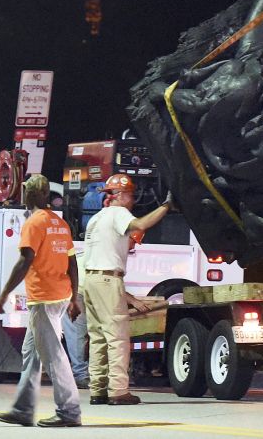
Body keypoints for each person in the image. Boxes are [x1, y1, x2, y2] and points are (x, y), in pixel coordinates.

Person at [0, 174, 83, 427]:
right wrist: (74, 298)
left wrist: (4, 293)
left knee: (53, 354)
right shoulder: (59, 223)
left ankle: (69, 411)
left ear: (30, 195)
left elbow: (25, 260)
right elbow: (72, 262)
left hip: (44, 299)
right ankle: (23, 408)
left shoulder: (34, 223)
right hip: (60, 295)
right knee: (31, 353)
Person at [83, 173, 174, 405]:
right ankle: (118, 391)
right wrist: (166, 206)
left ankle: (98, 389)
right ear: (121, 195)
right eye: (131, 195)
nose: (133, 200)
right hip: (107, 280)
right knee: (118, 338)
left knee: (98, 339)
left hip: (91, 282)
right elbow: (141, 224)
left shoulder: (97, 218)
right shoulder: (119, 213)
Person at [61, 251, 89, 389]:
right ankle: (80, 375)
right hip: (75, 292)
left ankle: (79, 374)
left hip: (74, 291)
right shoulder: (105, 255)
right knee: (77, 334)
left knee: (76, 334)